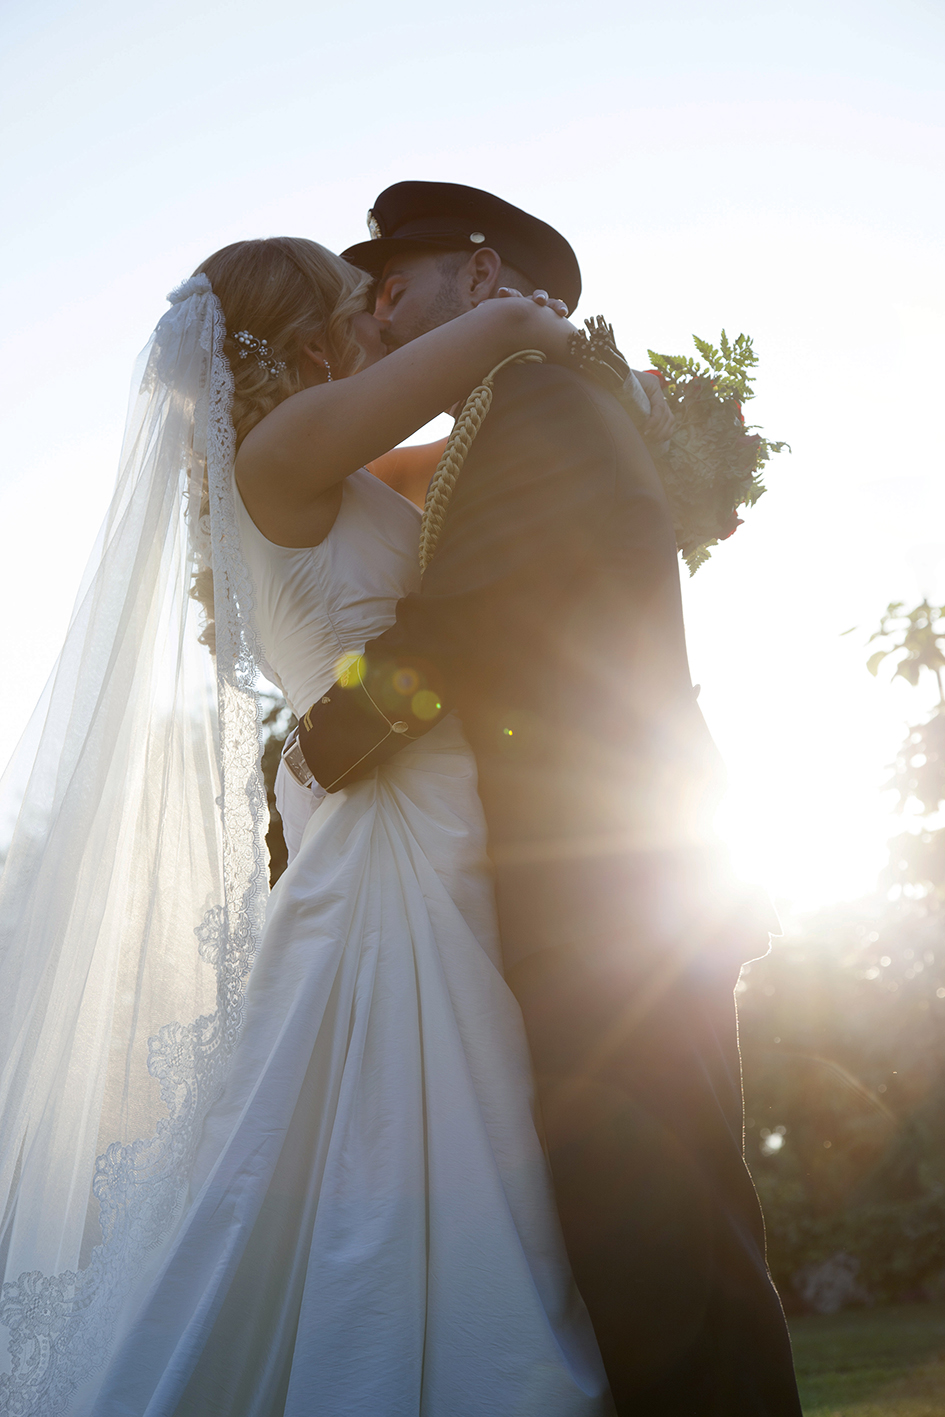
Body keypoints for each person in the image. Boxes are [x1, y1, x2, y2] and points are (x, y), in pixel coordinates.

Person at [0, 238, 613, 1415]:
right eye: (354, 309)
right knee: (411, 1115)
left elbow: (484, 489)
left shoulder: (330, 470)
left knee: (383, 1128)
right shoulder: (281, 454)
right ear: (307, 344)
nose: (379, 327)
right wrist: (552, 336)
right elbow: (486, 342)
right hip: (397, 831)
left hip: (416, 804)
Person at [298, 181, 804, 1415]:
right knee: (659, 1236)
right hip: (624, 877)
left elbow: (457, 629)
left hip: (607, 894)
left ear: (480, 279)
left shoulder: (533, 402)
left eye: (392, 287)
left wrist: (315, 752)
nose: (371, 317)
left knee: (659, 1249)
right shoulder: (525, 406)